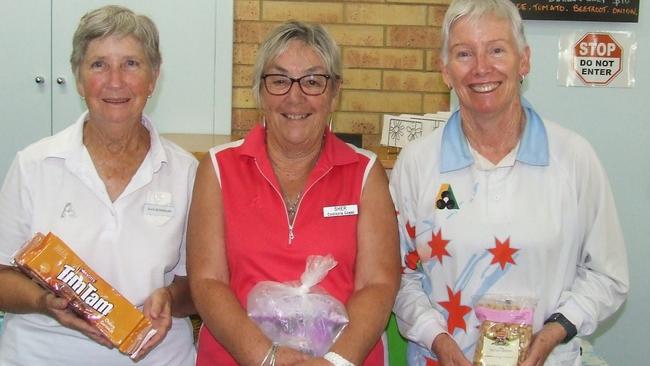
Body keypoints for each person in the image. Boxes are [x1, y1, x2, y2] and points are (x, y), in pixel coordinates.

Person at [389, 0, 629, 365]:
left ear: (525, 61)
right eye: (464, 53)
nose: (481, 68)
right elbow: (397, 276)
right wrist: (437, 340)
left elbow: (607, 275)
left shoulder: (574, 158)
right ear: (445, 71)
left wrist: (553, 333)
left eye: (497, 50)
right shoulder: (417, 163)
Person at [187, 20, 400, 366]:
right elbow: (208, 282)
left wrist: (334, 361)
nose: (295, 96)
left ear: (335, 93)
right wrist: (266, 358)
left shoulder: (365, 173)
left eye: (313, 81)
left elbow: (377, 285)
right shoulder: (217, 169)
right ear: (259, 91)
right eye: (280, 80)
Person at [0, 5, 197, 365]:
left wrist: (171, 297)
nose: (116, 81)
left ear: (153, 78)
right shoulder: (34, 165)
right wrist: (44, 302)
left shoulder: (186, 172)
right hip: (42, 354)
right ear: (78, 78)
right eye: (98, 65)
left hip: (154, 356)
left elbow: (200, 286)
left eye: (131, 64)